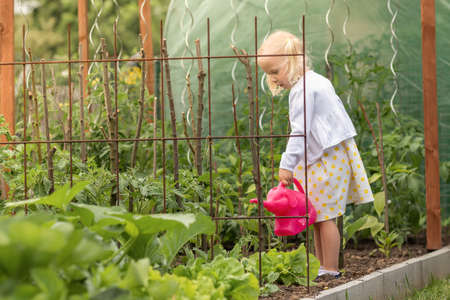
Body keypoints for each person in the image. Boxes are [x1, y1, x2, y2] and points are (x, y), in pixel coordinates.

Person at [257, 31, 374, 278]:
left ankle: (330, 269)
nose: (273, 79)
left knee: (325, 216)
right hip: (330, 155)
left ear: (292, 61)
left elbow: (300, 131)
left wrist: (287, 165)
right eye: (269, 74)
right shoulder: (315, 81)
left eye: (275, 71)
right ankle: (324, 268)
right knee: (319, 214)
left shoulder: (304, 89)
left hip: (326, 158)